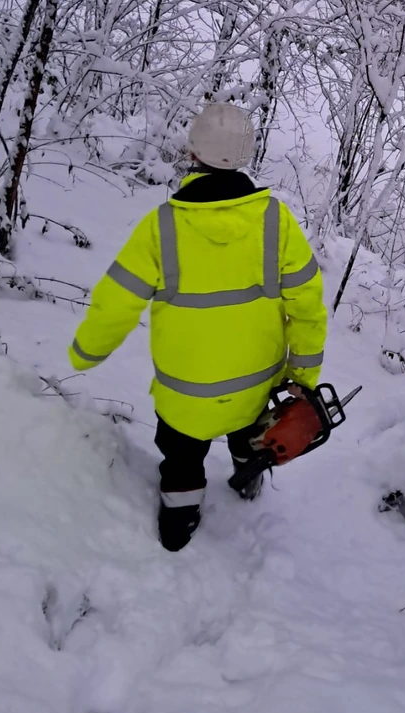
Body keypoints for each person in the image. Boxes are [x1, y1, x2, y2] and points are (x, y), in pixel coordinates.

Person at [68, 103, 328, 551]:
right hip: (253, 391)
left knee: (182, 459)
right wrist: (302, 377)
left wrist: (86, 353)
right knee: (249, 436)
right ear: (245, 156)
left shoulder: (161, 227)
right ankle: (247, 480)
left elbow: (117, 303)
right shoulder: (277, 222)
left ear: (192, 154)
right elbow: (307, 308)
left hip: (183, 397)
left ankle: (179, 519)